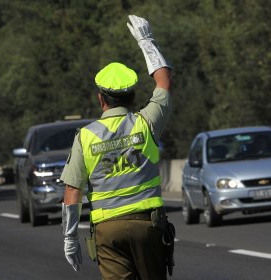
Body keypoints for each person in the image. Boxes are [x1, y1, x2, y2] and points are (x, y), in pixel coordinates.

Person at [61, 15, 174, 279]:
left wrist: (69, 237)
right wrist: (147, 41)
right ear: (133, 96)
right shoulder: (146, 123)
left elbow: (72, 190)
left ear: (101, 98)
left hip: (107, 230)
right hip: (148, 224)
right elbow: (164, 82)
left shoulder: (85, 136)